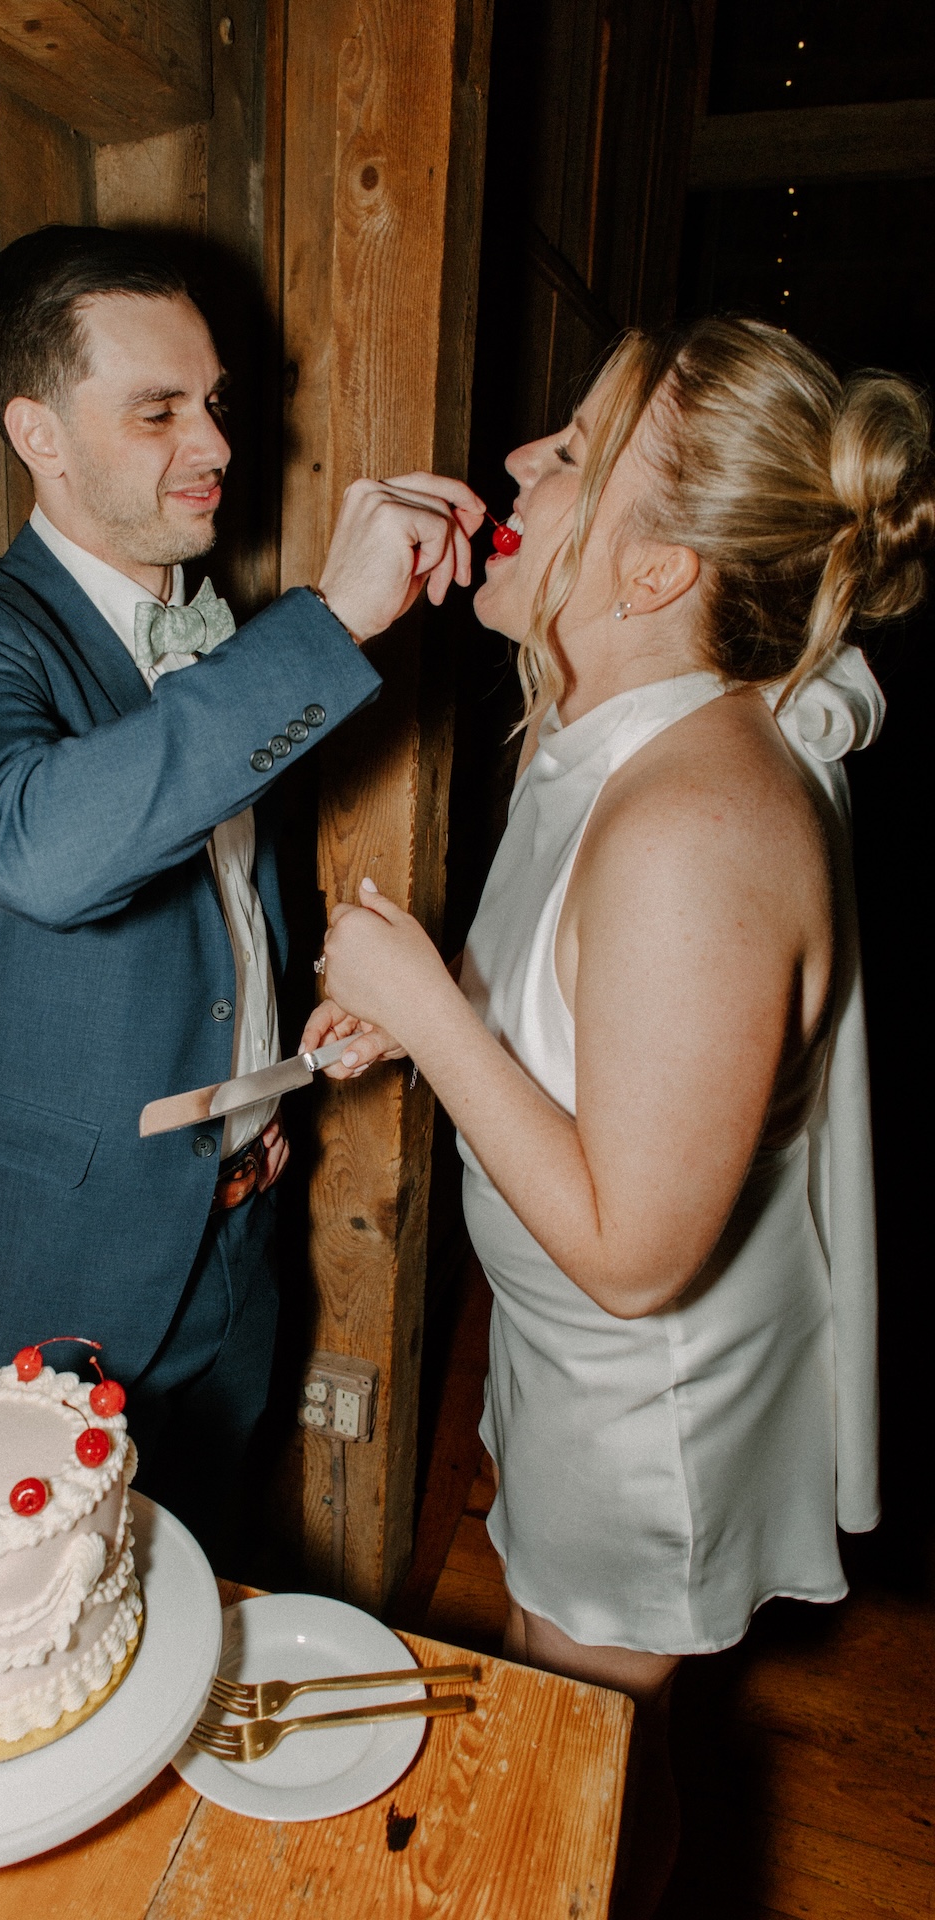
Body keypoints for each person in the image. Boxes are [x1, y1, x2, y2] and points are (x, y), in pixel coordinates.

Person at [303, 316, 935, 1910]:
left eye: (574, 453)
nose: (523, 460)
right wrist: (432, 1014)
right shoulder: (614, 728)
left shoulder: (695, 822)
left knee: (577, 1753)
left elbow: (641, 1254)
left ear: (658, 576)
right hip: (569, 1362)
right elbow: (601, 1024)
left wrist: (439, 1016)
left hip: (644, 1393)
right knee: (574, 1716)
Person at [0, 223, 480, 1562]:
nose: (213, 445)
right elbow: (41, 850)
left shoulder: (227, 638)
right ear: (38, 431)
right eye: (157, 412)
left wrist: (299, 1016)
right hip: (56, 1271)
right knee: (44, 1645)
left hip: (237, 1242)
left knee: (199, 1593)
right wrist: (331, 623)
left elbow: (207, 912)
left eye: (215, 403)